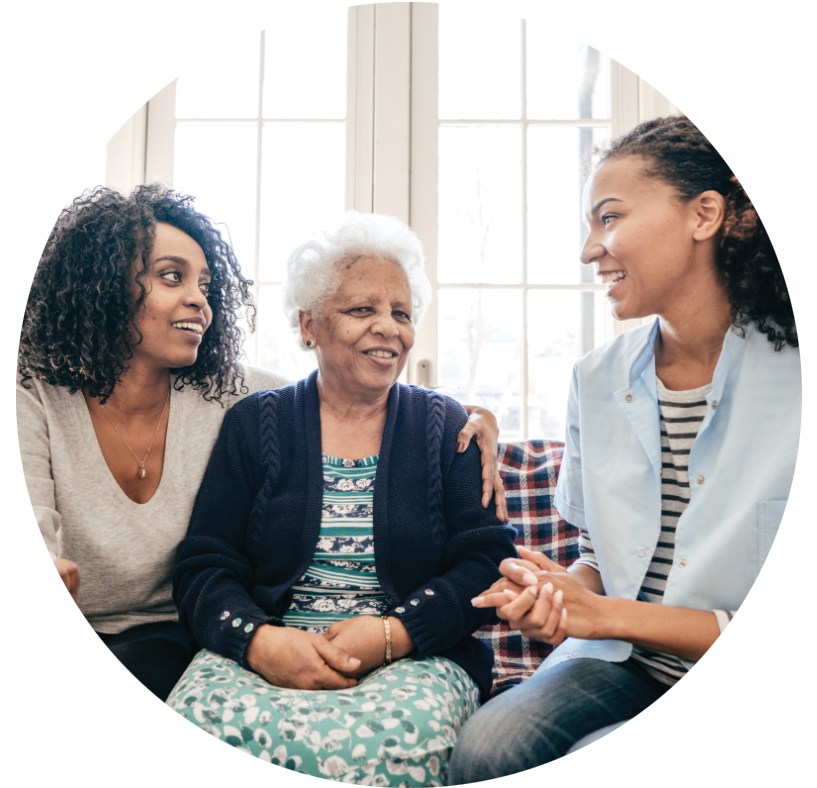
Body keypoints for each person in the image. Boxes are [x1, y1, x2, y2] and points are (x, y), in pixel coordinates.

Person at [16, 186, 508, 702]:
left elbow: (343, 388)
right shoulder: (33, 398)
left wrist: (471, 416)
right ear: (103, 286)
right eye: (171, 276)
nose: (198, 298)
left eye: (205, 284)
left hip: (166, 634)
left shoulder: (226, 392)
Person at [449, 115, 800, 780]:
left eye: (607, 219)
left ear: (703, 214)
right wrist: (559, 596)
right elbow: (598, 560)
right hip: (619, 657)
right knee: (487, 747)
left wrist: (603, 610)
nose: (589, 250)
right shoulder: (594, 379)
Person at [167, 212, 518, 785]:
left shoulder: (446, 427)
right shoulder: (256, 423)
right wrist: (258, 641)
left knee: (402, 743)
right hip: (273, 645)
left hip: (413, 655)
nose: (389, 328)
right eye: (362, 310)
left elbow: (485, 563)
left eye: (401, 313)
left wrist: (393, 634)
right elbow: (205, 565)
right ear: (309, 326)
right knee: (198, 726)